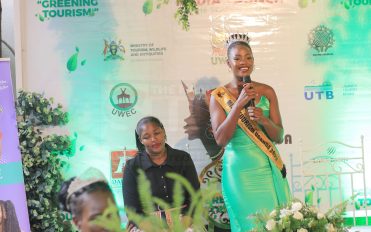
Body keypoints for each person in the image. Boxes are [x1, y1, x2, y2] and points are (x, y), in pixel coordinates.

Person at [209, 33, 291, 231]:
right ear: (228, 63)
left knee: (273, 224)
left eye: (248, 57)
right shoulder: (218, 96)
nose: (243, 62)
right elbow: (220, 139)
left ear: (253, 61)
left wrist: (263, 119)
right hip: (238, 173)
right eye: (237, 58)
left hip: (266, 167)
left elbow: (278, 136)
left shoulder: (267, 91)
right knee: (248, 224)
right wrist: (238, 105)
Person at [122, 116, 200, 229]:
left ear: (163, 131)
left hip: (184, 220)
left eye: (157, 133)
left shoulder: (183, 158)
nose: (154, 139)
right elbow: (133, 211)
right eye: (147, 137)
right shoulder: (132, 167)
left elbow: (195, 199)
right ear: (141, 140)